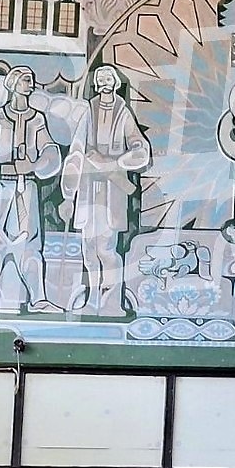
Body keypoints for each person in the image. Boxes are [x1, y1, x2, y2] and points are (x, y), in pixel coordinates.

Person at [0, 67, 62, 314]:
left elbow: (50, 150)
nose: (31, 84)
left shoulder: (37, 119)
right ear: (14, 84)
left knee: (30, 246)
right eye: (26, 79)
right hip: (3, 188)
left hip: (27, 189)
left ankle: (39, 300)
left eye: (31, 79)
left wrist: (35, 165)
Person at [61, 65, 151, 317]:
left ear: (115, 83)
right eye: (100, 78)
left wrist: (115, 163)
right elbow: (76, 152)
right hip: (88, 190)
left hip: (112, 191)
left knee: (106, 249)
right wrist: (68, 194)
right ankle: (91, 300)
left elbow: (140, 150)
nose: (104, 82)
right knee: (89, 250)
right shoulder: (88, 113)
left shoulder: (123, 113)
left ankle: (112, 302)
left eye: (108, 78)